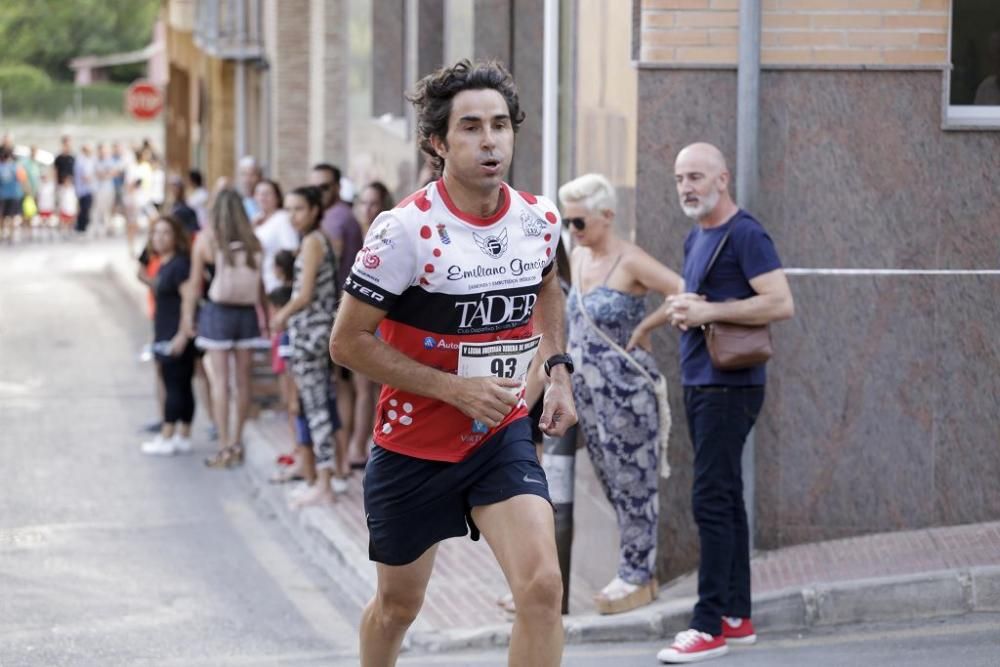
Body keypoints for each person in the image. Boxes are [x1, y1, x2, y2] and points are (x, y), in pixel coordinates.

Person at [329, 59, 576, 667]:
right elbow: (348, 341)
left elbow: (547, 288)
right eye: (470, 127)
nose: (489, 140)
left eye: (499, 125)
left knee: (542, 589)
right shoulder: (403, 232)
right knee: (397, 608)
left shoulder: (538, 220)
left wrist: (559, 369)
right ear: (438, 142)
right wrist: (456, 389)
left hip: (499, 434)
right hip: (414, 444)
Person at [654, 143, 794, 664]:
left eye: (696, 176)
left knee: (711, 499)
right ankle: (737, 616)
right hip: (702, 379)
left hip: (729, 385)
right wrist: (686, 310)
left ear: (722, 179)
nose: (686, 186)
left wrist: (710, 309)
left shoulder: (746, 233)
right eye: (678, 178)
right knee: (726, 496)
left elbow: (781, 302)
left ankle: (707, 623)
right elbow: (704, 305)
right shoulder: (698, 234)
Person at [558, 173, 684, 615]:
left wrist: (648, 326)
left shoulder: (631, 261)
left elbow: (682, 290)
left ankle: (637, 571)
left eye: (578, 221)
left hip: (627, 391)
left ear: (607, 216)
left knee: (635, 481)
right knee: (613, 482)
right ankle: (633, 566)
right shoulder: (577, 254)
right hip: (587, 395)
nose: (571, 230)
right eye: (567, 221)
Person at [181, 189, 267, 468]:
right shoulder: (254, 241)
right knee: (242, 381)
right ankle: (237, 442)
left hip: (218, 313)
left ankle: (224, 445)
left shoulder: (206, 241)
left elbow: (195, 285)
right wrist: (265, 317)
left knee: (220, 381)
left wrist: (188, 318)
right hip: (246, 314)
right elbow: (261, 286)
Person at [271, 186, 343, 506]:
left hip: (312, 335)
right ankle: (319, 477)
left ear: (314, 210)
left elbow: (304, 294)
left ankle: (325, 483)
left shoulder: (314, 242)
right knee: (313, 406)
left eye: (298, 209)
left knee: (316, 409)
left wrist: (280, 317)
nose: (292, 215)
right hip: (310, 334)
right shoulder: (310, 241)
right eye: (289, 209)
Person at [309, 163, 363, 473]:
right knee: (344, 385)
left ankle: (346, 455)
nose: (320, 192)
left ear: (336, 188)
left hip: (340, 310)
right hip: (339, 310)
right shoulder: (332, 217)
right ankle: (346, 453)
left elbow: (326, 269)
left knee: (345, 385)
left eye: (325, 187)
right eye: (315, 187)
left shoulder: (338, 218)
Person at [344, 181, 394, 468]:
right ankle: (359, 445)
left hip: (386, 321)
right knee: (362, 388)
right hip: (361, 320)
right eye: (363, 203)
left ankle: (373, 445)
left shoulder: (388, 236)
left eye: (374, 203)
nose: (368, 209)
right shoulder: (354, 236)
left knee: (383, 387)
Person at [138, 215, 197, 456]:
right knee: (181, 385)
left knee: (174, 385)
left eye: (165, 233)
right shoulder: (164, 263)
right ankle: (183, 435)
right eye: (156, 233)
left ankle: (168, 436)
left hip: (175, 334)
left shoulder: (180, 265)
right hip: (165, 330)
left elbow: (189, 300)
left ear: (176, 237)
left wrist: (183, 334)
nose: (159, 238)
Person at [251, 179, 299, 294]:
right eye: (259, 193)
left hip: (274, 283)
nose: (262, 197)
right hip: (258, 282)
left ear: (277, 197)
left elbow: (291, 249)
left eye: (267, 194)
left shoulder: (283, 218)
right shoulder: (257, 218)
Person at [0, 148, 20, 243]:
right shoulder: (14, 167)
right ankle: (11, 236)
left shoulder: (1, 167)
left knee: (2, 216)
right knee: (12, 216)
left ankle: (2, 233)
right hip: (13, 194)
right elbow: (21, 179)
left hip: (2, 195)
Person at [238, 156, 263, 220]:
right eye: (244, 174)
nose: (247, 180)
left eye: (252, 175)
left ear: (260, 177)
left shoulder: (264, 201)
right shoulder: (236, 201)